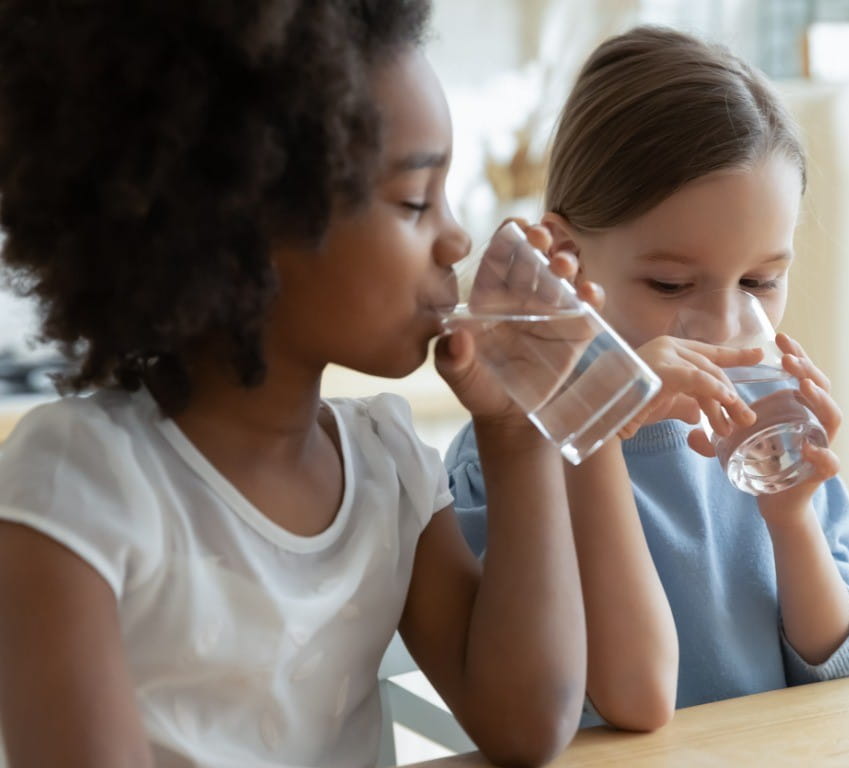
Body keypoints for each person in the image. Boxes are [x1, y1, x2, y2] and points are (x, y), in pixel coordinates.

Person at [0, 2, 596, 766]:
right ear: (244, 228)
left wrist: (517, 432)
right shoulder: (81, 491)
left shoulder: (387, 466)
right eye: (415, 201)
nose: (457, 237)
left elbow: (529, 725)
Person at [447, 26, 849, 718]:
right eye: (672, 286)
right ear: (568, 257)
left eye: (761, 280)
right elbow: (620, 703)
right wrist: (596, 413)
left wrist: (792, 520)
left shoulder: (769, 446)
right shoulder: (509, 454)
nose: (725, 326)